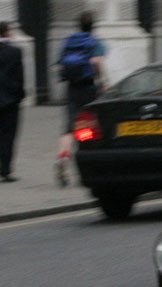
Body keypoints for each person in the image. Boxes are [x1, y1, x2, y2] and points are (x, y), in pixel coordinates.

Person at [56, 11, 106, 187]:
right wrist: (103, 81)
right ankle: (90, 166)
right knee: (88, 125)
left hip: (71, 88)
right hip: (89, 87)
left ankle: (63, 157)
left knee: (69, 126)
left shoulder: (69, 41)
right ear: (93, 25)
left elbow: (61, 64)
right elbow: (96, 62)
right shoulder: (95, 42)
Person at [0, 21, 25, 182]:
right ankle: (6, 169)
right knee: (8, 135)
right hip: (10, 100)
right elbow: (20, 76)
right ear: (7, 32)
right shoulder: (15, 51)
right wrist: (20, 94)